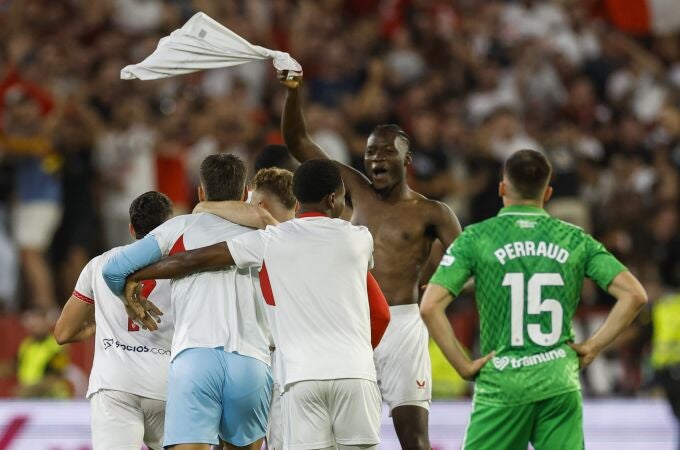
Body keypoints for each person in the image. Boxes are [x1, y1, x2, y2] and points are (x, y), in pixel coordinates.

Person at [123, 159, 391, 450]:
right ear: (333, 198)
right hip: (349, 370)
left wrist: (136, 275)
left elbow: (194, 259)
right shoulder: (359, 238)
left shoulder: (272, 241)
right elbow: (380, 314)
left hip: (297, 376)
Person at [278, 73, 461, 450]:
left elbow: (466, 260)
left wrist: (440, 288)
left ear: (407, 159)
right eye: (371, 152)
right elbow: (298, 141)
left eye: (386, 152)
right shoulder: (354, 189)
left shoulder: (433, 212)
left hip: (404, 328)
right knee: (340, 439)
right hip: (352, 327)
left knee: (414, 438)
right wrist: (294, 91)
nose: (376, 158)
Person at [420, 149, 648, 449]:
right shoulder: (574, 238)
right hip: (558, 381)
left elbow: (430, 305)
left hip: (502, 384)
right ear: (548, 192)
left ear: (502, 188)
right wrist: (592, 346)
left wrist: (463, 365)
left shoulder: (477, 238)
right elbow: (635, 295)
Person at [102, 154, 273, 450]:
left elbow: (113, 269)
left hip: (195, 359)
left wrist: (130, 296)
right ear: (246, 191)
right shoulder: (269, 233)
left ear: (201, 193)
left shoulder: (177, 228)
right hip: (251, 358)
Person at [53, 191, 174, 450]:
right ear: (170, 227)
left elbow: (63, 333)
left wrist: (96, 327)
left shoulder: (99, 265)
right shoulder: (184, 267)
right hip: (168, 386)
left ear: (131, 229)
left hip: (115, 385)